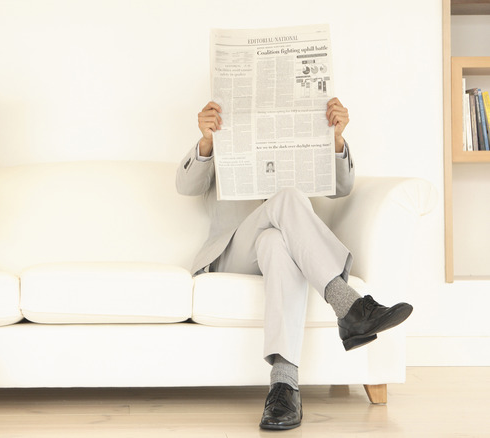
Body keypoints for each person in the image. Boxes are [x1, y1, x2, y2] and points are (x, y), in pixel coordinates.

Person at [175, 98, 413, 430]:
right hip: (232, 253)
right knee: (287, 198)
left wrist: (336, 140)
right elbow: (186, 187)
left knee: (275, 241)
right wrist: (206, 141)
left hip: (283, 248)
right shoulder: (221, 130)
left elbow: (341, 189)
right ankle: (349, 305)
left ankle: (284, 387)